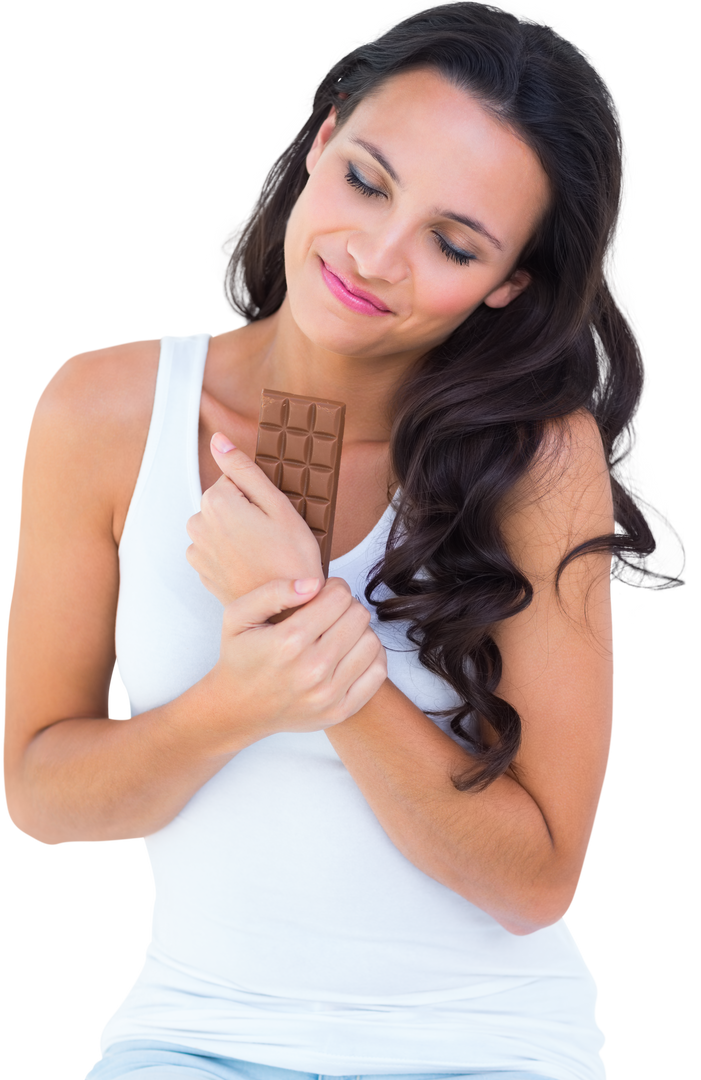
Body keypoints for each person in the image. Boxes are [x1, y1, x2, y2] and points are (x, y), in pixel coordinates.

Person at [1, 1, 686, 1079]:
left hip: (484, 1046)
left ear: (508, 281)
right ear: (319, 140)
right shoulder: (104, 409)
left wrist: (318, 640)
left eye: (452, 243)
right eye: (368, 180)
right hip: (194, 1036)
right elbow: (42, 793)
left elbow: (535, 881)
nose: (373, 256)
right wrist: (245, 696)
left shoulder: (534, 460)